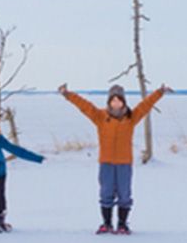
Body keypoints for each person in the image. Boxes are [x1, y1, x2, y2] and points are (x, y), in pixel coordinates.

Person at [58, 82, 171, 235]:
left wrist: (159, 92)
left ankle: (122, 224)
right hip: (106, 163)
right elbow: (84, 106)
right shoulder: (100, 117)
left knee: (125, 194)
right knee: (106, 193)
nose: (116, 103)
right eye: (113, 100)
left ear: (123, 102)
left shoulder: (131, 118)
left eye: (119, 100)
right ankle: (106, 224)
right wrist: (68, 94)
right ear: (109, 102)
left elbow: (145, 105)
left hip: (124, 163)